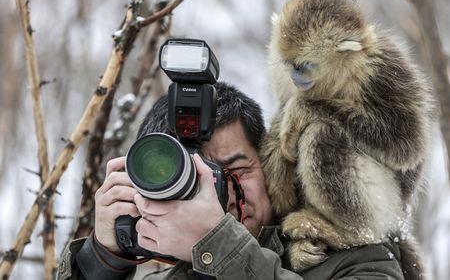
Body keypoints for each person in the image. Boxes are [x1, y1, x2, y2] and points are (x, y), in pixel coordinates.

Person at [57, 82, 405, 280]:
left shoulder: (357, 259)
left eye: (235, 171)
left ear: (270, 166)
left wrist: (219, 245)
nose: (217, 194)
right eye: (193, 179)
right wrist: (101, 260)